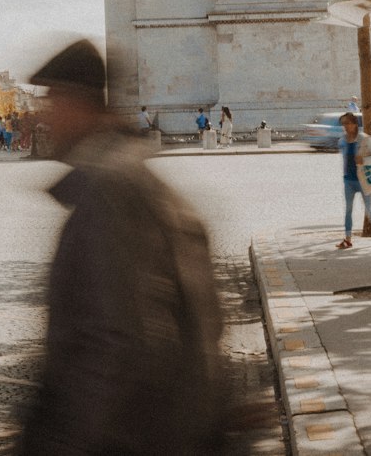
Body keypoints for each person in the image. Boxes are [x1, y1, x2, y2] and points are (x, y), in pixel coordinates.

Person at [18, 40, 223, 456]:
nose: (44, 116)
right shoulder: (138, 177)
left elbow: (114, 344)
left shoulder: (106, 192)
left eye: (53, 100)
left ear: (81, 104)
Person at [336, 110, 371, 249]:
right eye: (344, 124)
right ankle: (347, 239)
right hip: (348, 181)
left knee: (370, 208)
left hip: (363, 180)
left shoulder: (365, 139)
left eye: (348, 123)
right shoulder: (342, 141)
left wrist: (364, 160)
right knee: (348, 210)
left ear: (355, 124)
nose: (346, 126)